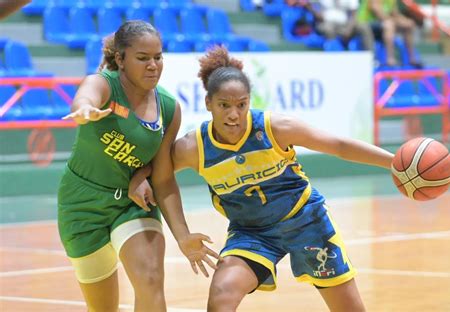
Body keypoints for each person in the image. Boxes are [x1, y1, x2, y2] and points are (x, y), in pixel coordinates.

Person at [131, 45, 394, 311]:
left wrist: (394, 163)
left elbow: (339, 145)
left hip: (306, 221)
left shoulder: (275, 128)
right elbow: (160, 172)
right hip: (251, 232)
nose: (234, 114)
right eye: (224, 105)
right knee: (222, 293)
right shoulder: (194, 147)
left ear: (249, 101)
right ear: (208, 103)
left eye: (241, 105)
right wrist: (140, 178)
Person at [59, 20, 219, 312]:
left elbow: (163, 177)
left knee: (150, 279)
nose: (153, 66)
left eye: (158, 57)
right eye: (143, 58)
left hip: (131, 204)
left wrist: (182, 236)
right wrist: (83, 109)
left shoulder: (169, 107)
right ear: (120, 59)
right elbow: (85, 96)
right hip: (81, 204)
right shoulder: (104, 84)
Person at [358, 0, 421, 67]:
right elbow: (375, 9)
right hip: (365, 23)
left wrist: (404, 21)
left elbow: (395, 14)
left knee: (409, 25)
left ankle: (412, 60)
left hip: (383, 23)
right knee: (389, 25)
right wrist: (392, 20)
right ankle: (390, 60)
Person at [293, 0, 374, 51]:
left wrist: (349, 29)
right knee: (328, 29)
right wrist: (316, 14)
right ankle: (335, 56)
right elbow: (307, 3)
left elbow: (354, 14)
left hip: (345, 24)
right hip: (325, 23)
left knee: (364, 27)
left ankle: (370, 58)